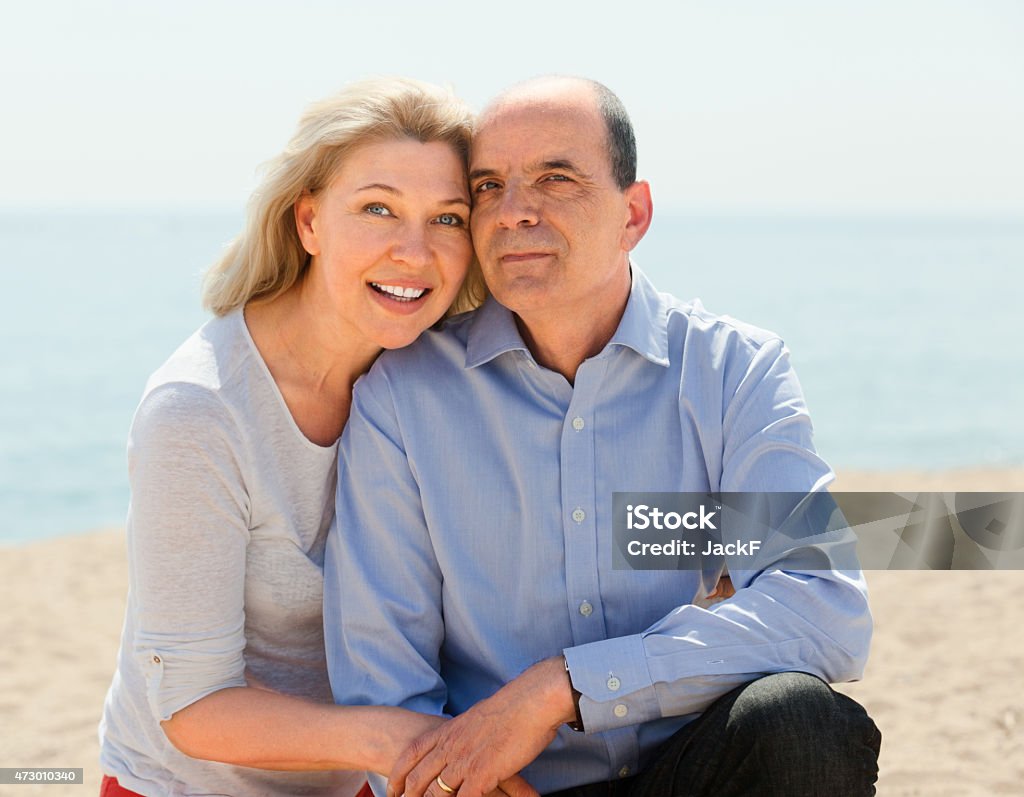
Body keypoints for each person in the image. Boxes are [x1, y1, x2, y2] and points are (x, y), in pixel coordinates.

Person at [324, 76, 881, 797]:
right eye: (489, 186)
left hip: (691, 770)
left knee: (802, 720)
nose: (514, 211)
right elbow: (384, 683)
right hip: (511, 789)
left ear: (634, 212)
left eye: (556, 178)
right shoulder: (403, 397)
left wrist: (566, 685)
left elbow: (821, 605)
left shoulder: (731, 372)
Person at [97, 77, 533, 797]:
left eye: (448, 219)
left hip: (363, 777)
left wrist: (733, 550)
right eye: (377, 208)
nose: (414, 252)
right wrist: (421, 744)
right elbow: (192, 706)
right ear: (308, 222)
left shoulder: (437, 372)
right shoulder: (198, 411)